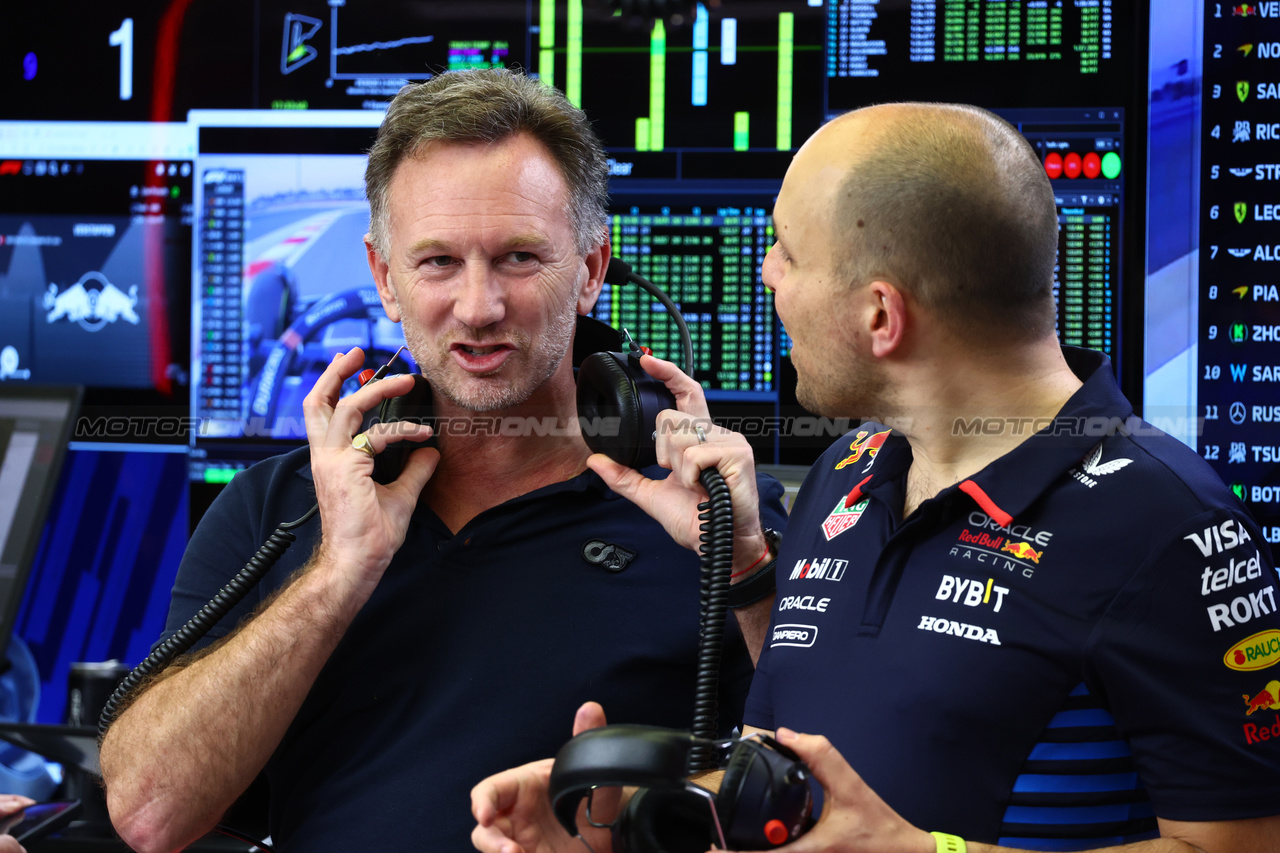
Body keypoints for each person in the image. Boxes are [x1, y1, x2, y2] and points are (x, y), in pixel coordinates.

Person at [472, 103, 1280, 853]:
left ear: (881, 317)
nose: (767, 274)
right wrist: (636, 815)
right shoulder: (852, 468)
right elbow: (813, 778)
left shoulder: (1168, 528)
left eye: (788, 249)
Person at [98, 69, 786, 853]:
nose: (478, 306)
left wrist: (749, 570)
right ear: (386, 278)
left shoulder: (713, 517)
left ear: (592, 271)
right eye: (437, 263)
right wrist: (338, 573)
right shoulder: (278, 505)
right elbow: (150, 815)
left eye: (520, 258)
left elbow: (838, 802)